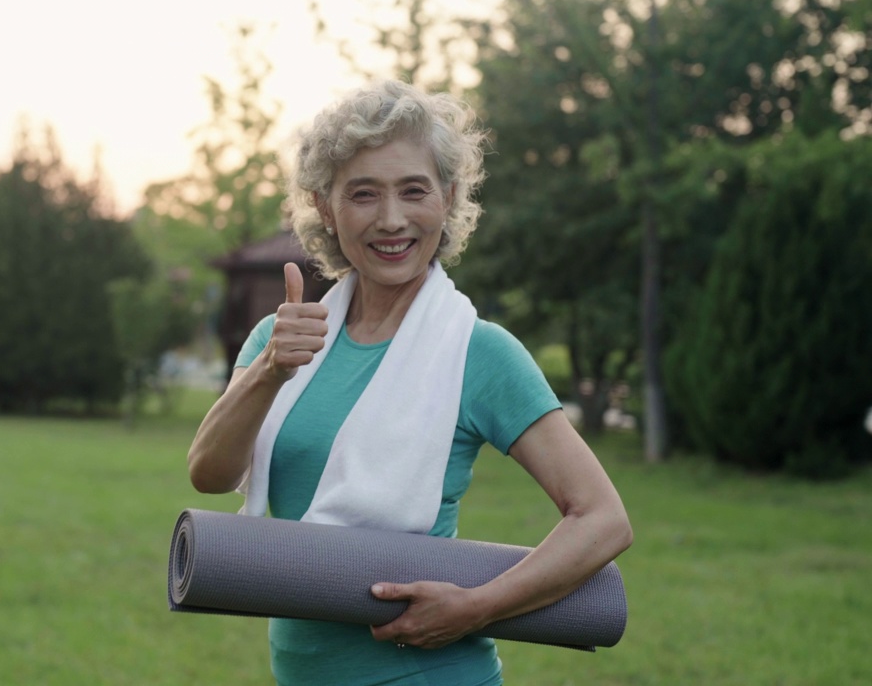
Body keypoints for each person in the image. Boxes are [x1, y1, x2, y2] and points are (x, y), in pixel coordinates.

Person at [186, 79, 633, 686]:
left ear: (447, 198)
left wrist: (478, 607)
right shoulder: (283, 337)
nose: (391, 220)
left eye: (413, 190)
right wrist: (269, 373)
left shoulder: (480, 352)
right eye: (363, 194)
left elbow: (602, 518)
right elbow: (210, 476)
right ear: (324, 205)